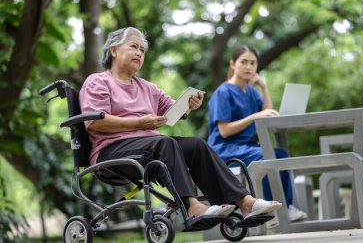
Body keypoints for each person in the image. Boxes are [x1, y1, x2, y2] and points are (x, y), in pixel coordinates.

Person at [79, 27, 282, 222]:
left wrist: (188, 105)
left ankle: (244, 202)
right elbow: (95, 122)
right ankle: (192, 207)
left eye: (142, 50)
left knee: (196, 145)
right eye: (133, 47)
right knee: (165, 143)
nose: (139, 53)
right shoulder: (98, 81)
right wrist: (139, 123)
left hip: (149, 147)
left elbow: (172, 110)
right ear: (114, 50)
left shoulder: (147, 87)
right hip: (112, 151)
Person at [207, 45, 307, 222]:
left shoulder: (251, 92)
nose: (248, 67)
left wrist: (264, 87)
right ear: (233, 64)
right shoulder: (223, 92)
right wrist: (253, 116)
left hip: (246, 148)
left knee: (281, 154)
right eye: (243, 62)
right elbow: (224, 130)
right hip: (224, 149)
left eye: (253, 63)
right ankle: (269, 209)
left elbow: (267, 113)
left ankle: (286, 206)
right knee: (267, 155)